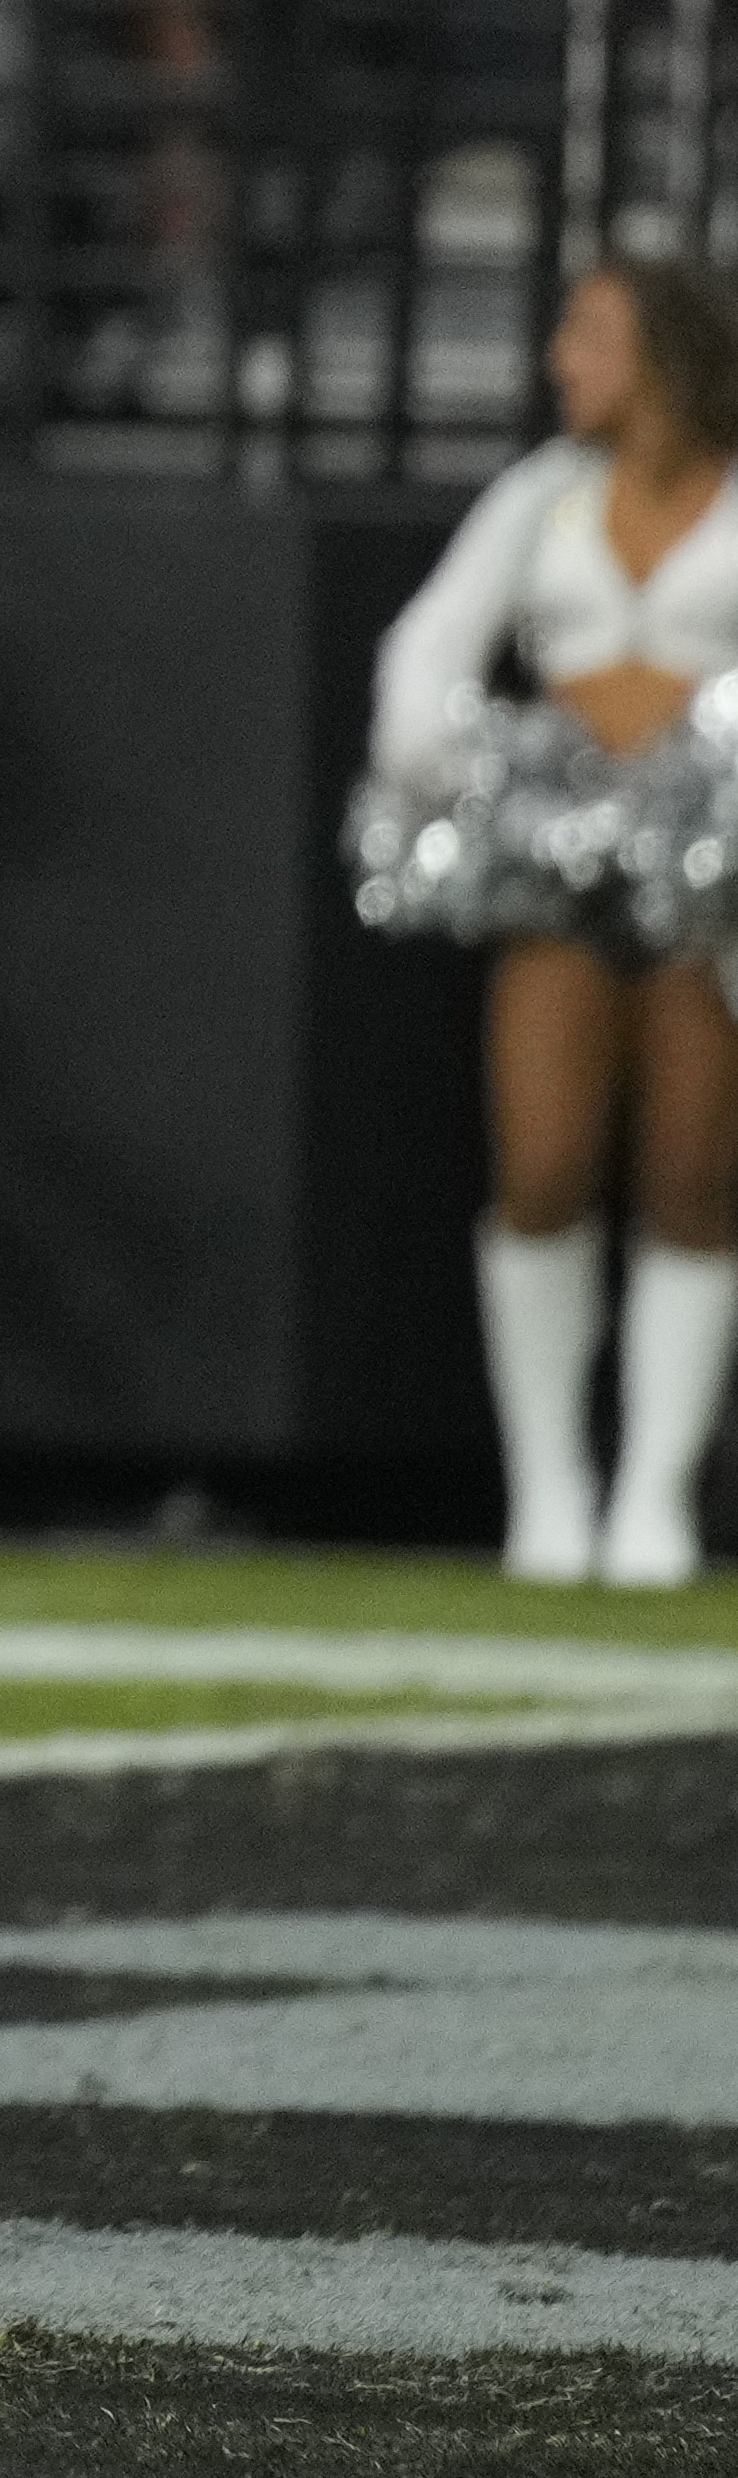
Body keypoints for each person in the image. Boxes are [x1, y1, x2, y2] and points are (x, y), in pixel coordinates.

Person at [365, 261, 738, 1588]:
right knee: (539, 1166)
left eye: (584, 333)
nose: (554, 357)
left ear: (664, 352)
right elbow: (420, 660)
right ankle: (545, 1489)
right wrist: (478, 771)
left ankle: (651, 1495)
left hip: (713, 888)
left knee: (694, 1177)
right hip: (562, 876)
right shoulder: (534, 495)